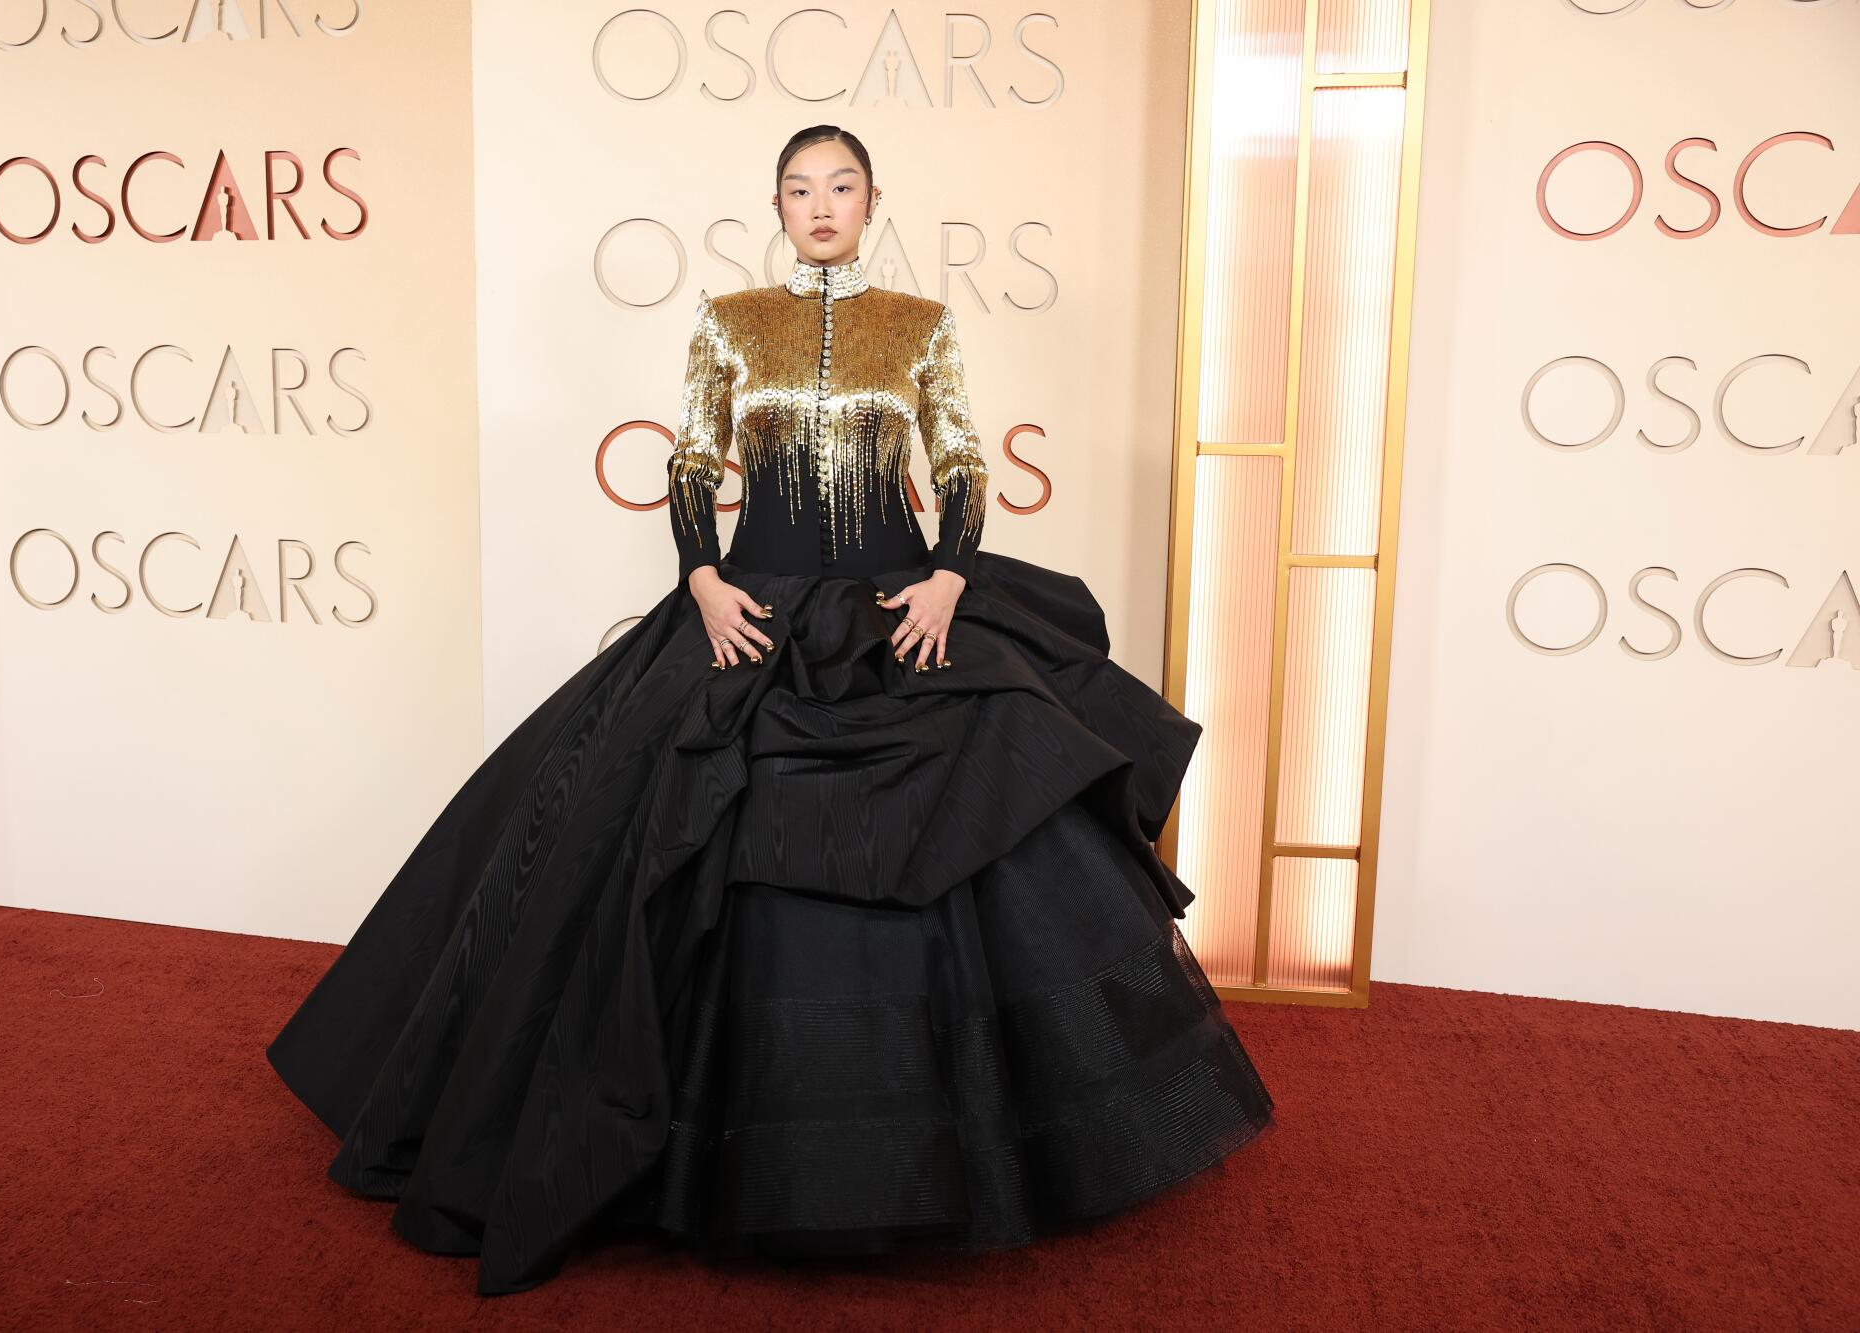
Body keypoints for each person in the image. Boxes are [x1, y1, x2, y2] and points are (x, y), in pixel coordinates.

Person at [265, 124, 1275, 1297]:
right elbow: (693, 465)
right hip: (747, 609)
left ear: (871, 200)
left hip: (904, 610)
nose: (820, 204)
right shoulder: (727, 323)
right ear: (778, 206)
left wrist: (949, 574)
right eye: (799, 188)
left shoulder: (922, 325)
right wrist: (702, 581)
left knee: (983, 830)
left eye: (839, 185)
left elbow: (959, 465)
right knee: (645, 843)